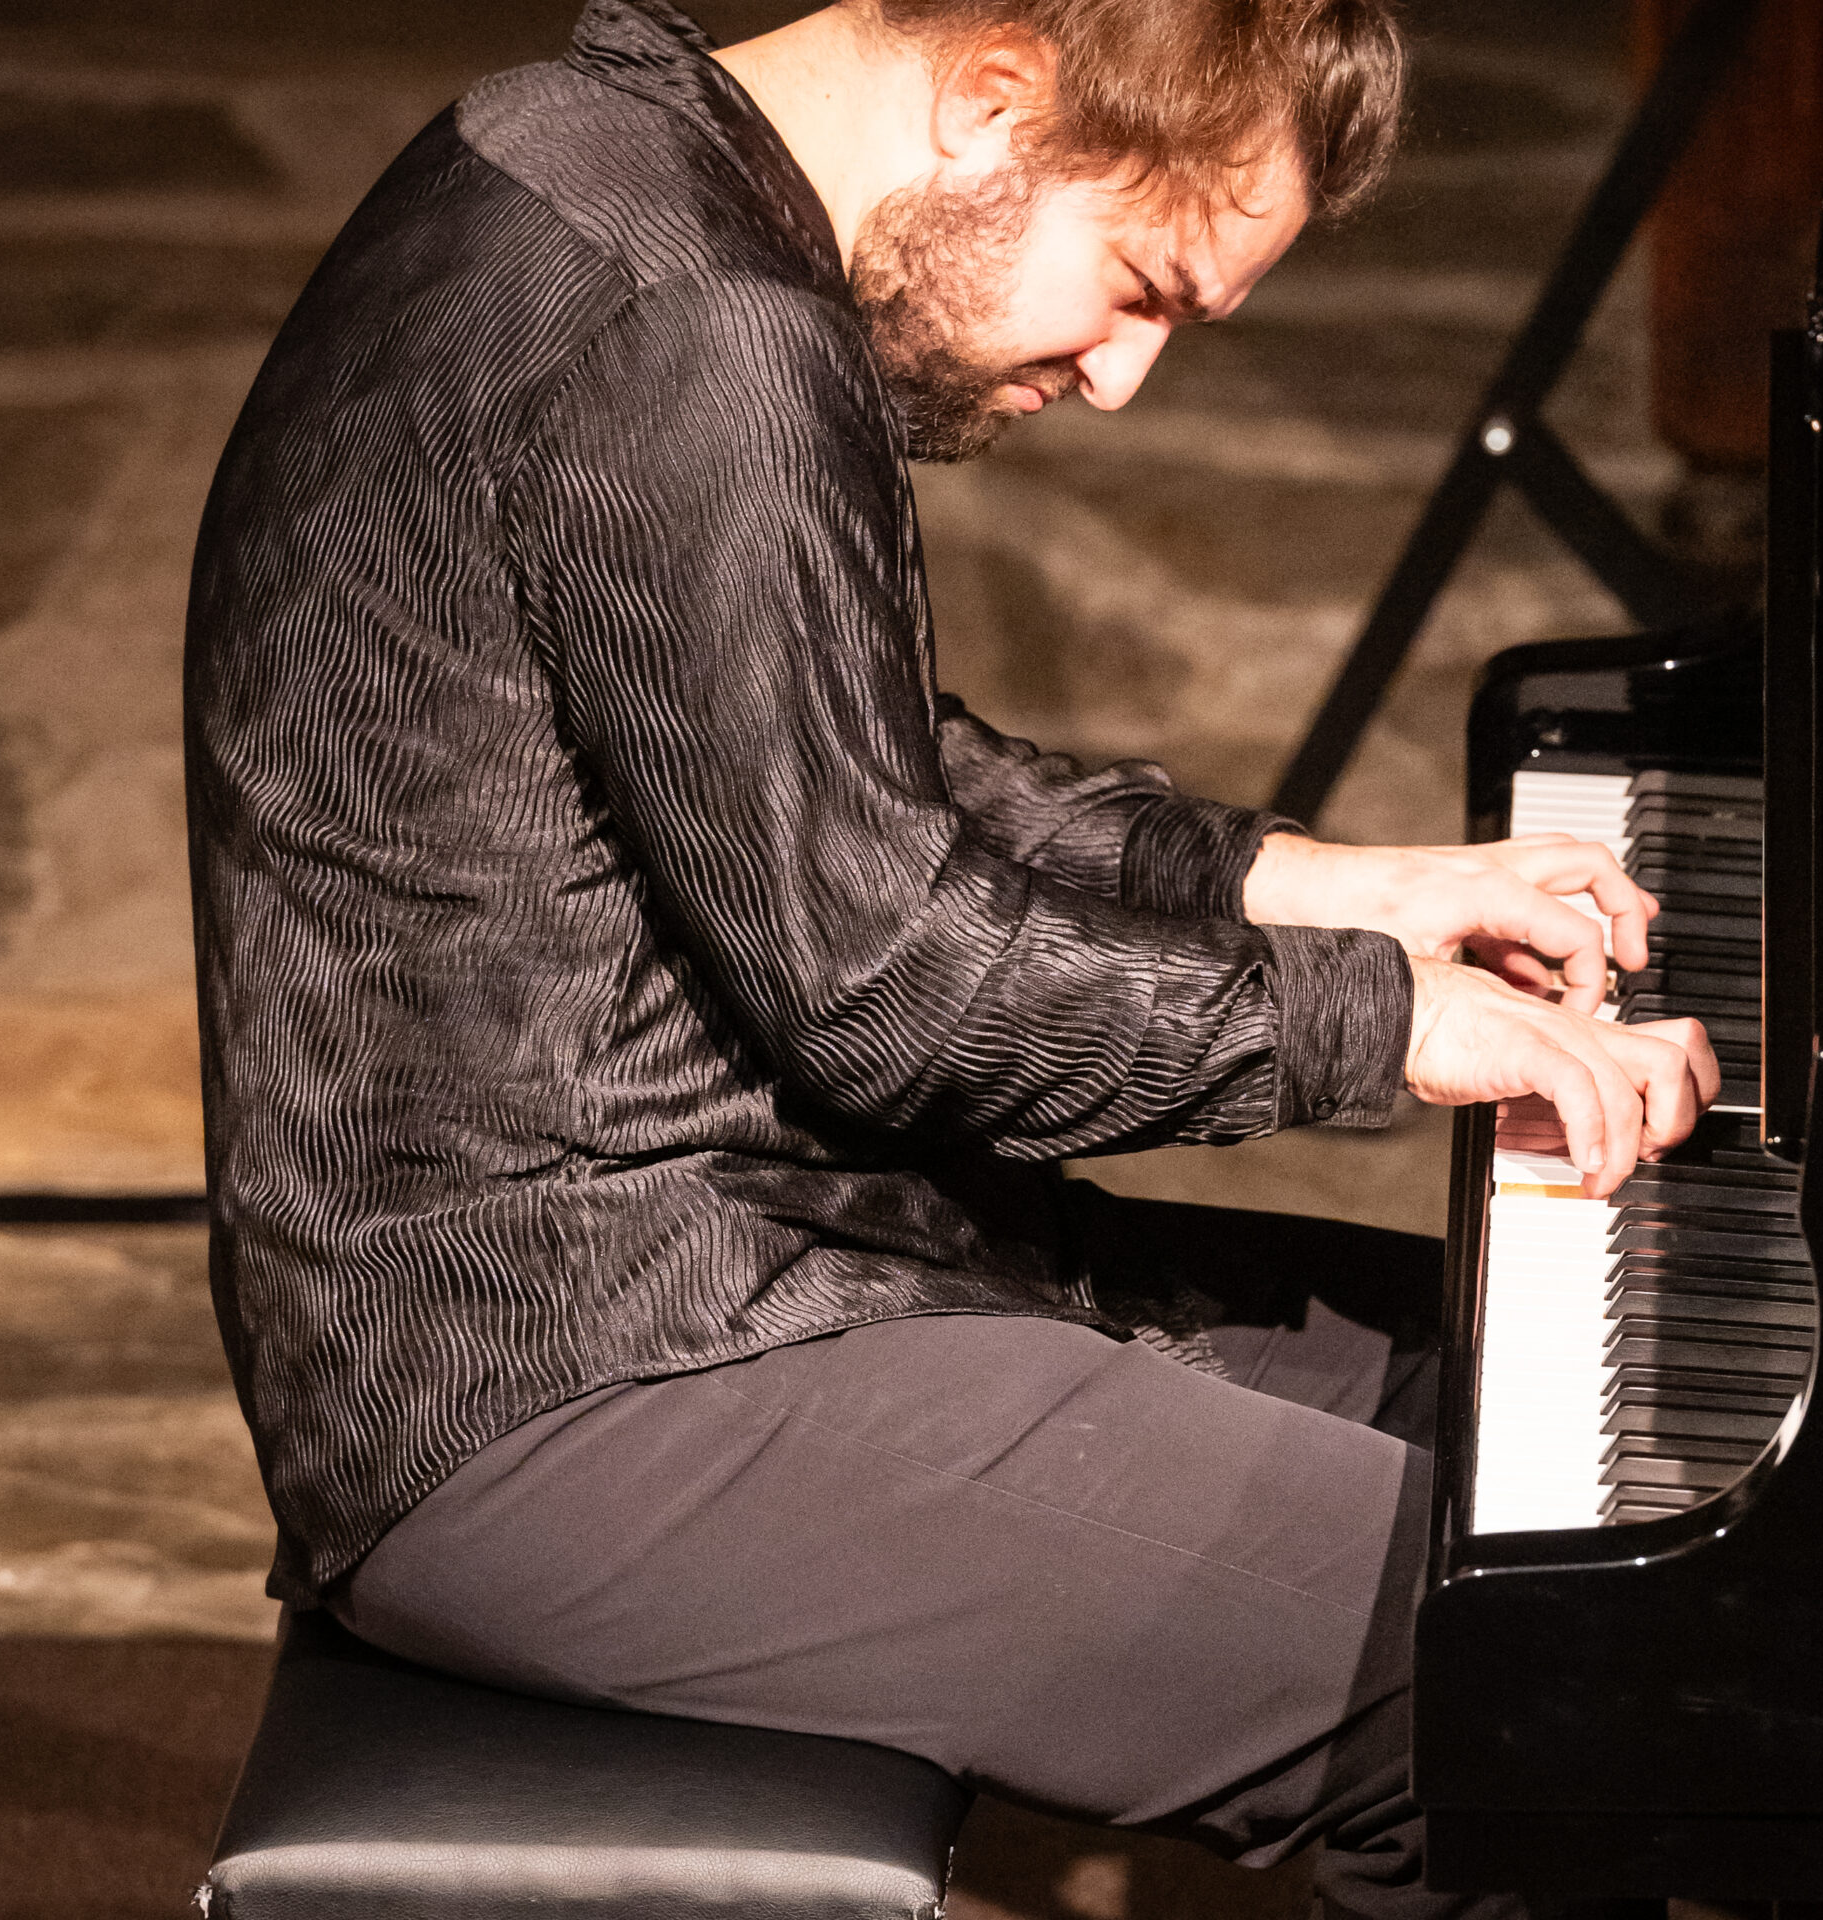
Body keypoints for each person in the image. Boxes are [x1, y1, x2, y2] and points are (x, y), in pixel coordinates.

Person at [183, 1, 1716, 1913]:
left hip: (727, 1259)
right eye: (1139, 285)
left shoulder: (573, 145)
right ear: (997, 93)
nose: (1126, 375)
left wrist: (1318, 884)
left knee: (1508, 1411)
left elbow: (869, 760)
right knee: (1526, 1673)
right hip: (566, 1372)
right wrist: (1384, 1022)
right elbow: (893, 984)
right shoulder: (704, 332)